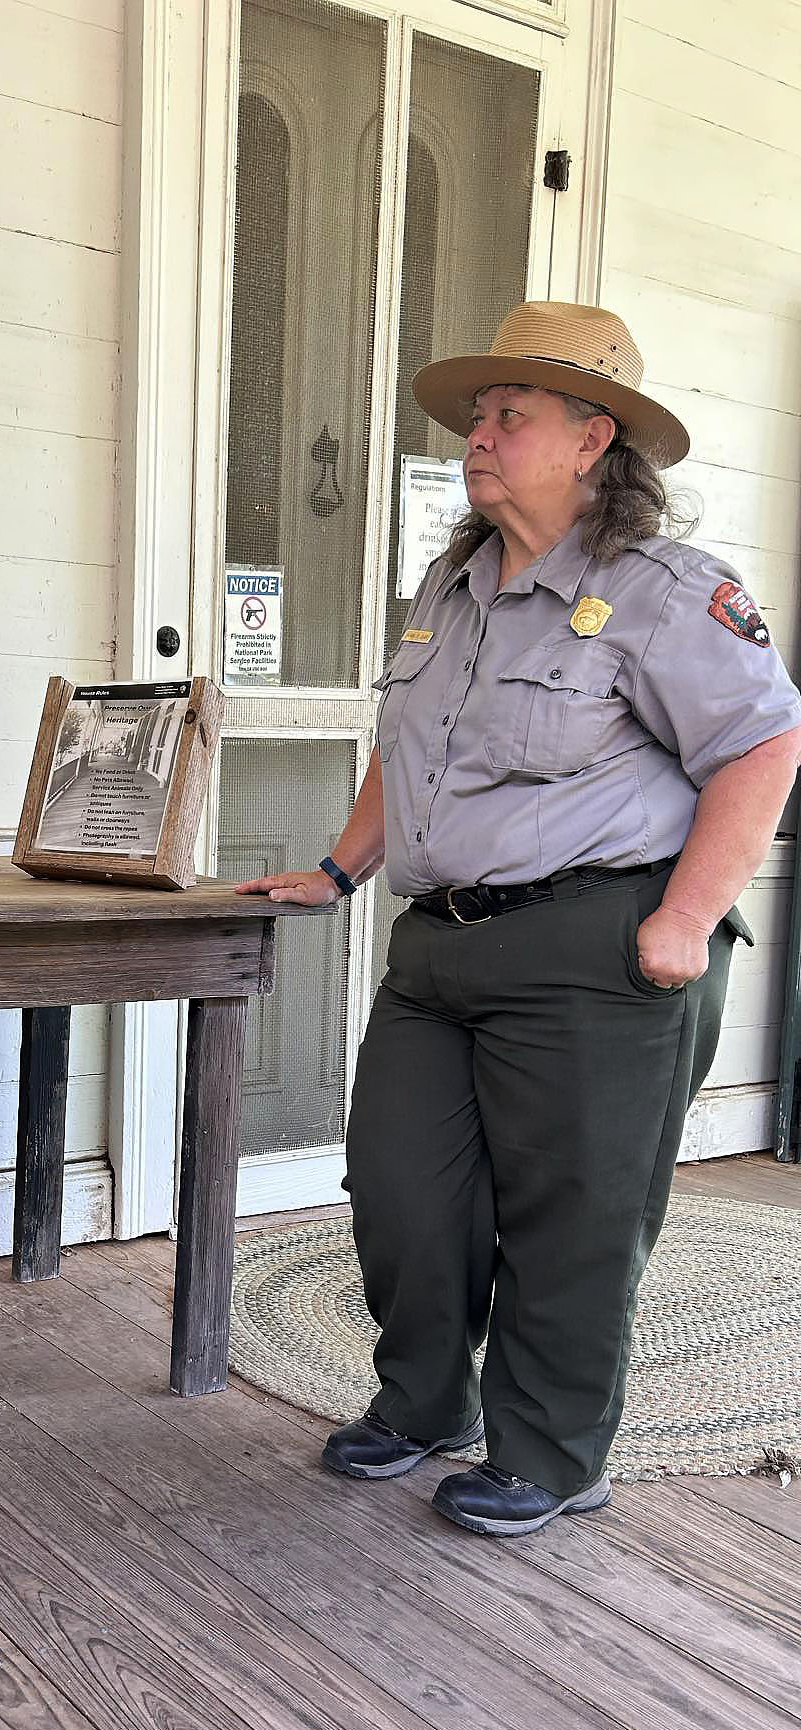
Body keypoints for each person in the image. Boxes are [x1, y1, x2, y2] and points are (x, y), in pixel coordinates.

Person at [239, 301, 801, 1537]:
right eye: (476, 416)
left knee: (573, 1212)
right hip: (438, 943)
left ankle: (550, 1453)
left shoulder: (662, 594)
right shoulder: (452, 583)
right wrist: (337, 871)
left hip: (596, 948)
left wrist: (687, 919)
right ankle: (425, 1401)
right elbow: (410, 749)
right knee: (400, 1186)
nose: (478, 436)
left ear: (594, 439)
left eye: (510, 415)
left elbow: (762, 745)